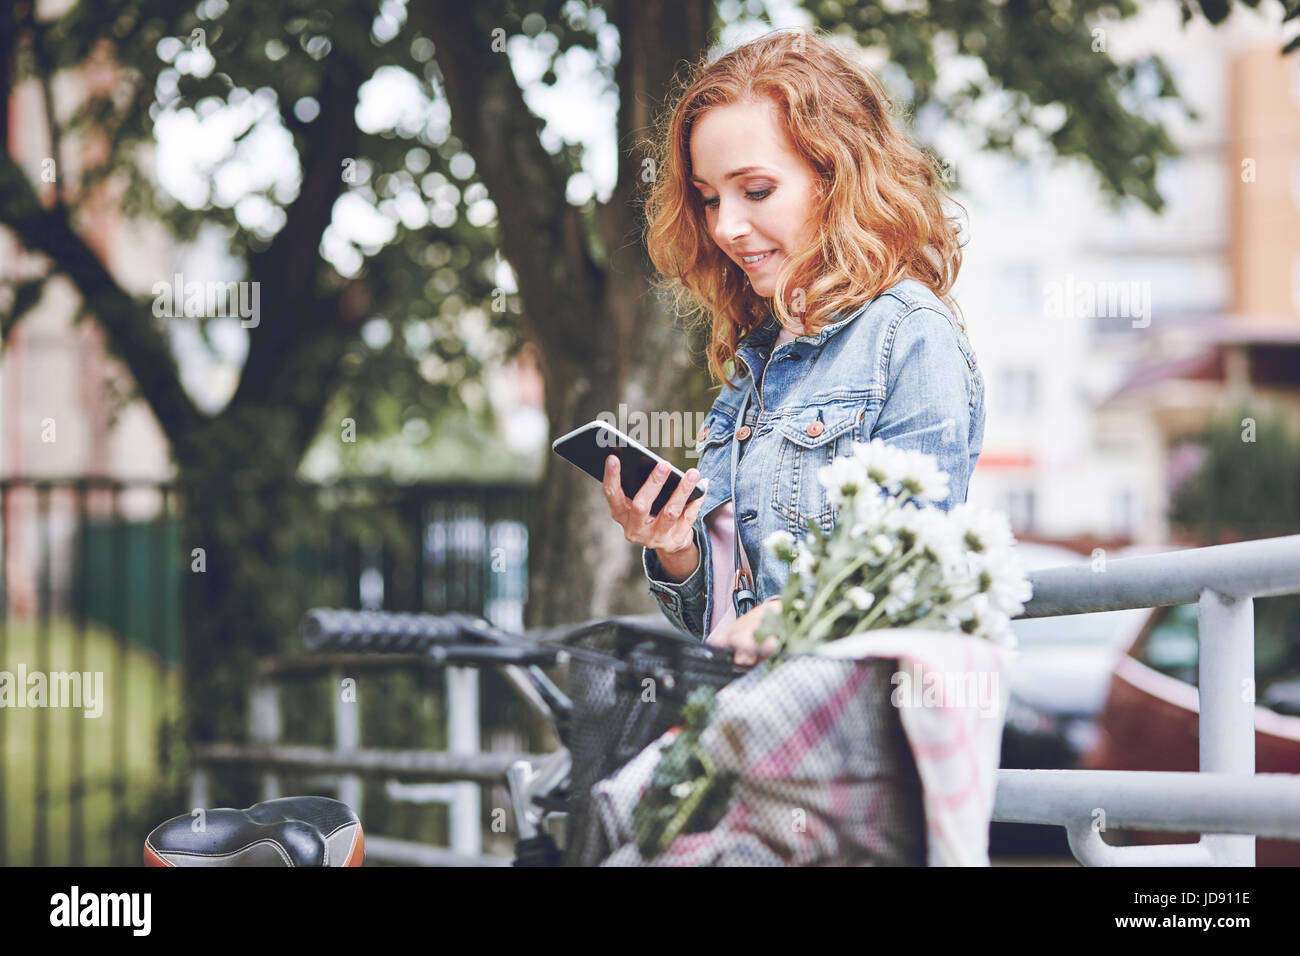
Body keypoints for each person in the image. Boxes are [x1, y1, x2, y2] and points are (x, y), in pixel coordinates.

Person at [601, 30, 985, 665]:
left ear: (837, 177)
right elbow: (720, 620)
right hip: (750, 720)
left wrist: (798, 612)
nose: (725, 226)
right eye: (708, 198)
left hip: (846, 741)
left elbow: (916, 571)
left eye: (755, 191)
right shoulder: (759, 353)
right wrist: (676, 549)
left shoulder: (910, 333)